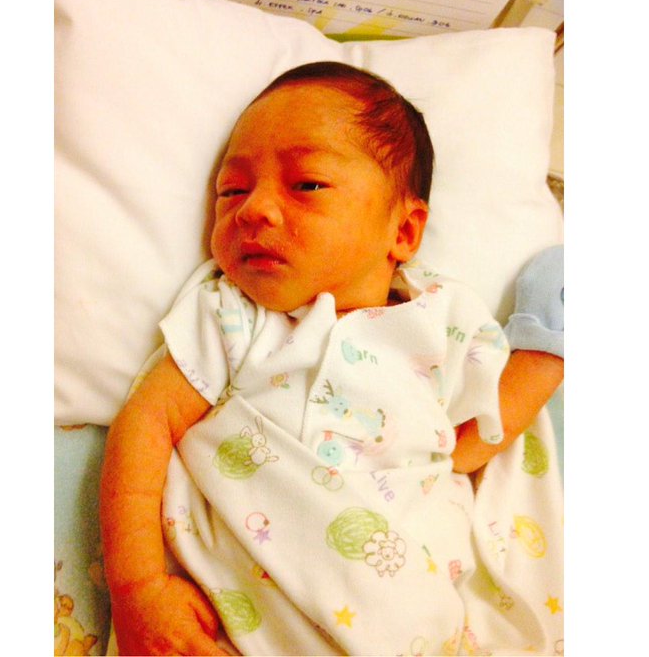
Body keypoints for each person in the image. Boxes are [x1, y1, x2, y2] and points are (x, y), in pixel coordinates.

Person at [100, 62, 563, 656]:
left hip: (412, 619)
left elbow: (472, 441)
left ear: (404, 232)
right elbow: (145, 425)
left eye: (308, 185)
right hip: (247, 628)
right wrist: (138, 588)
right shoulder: (234, 315)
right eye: (231, 191)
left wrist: (544, 356)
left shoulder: (441, 320)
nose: (252, 210)